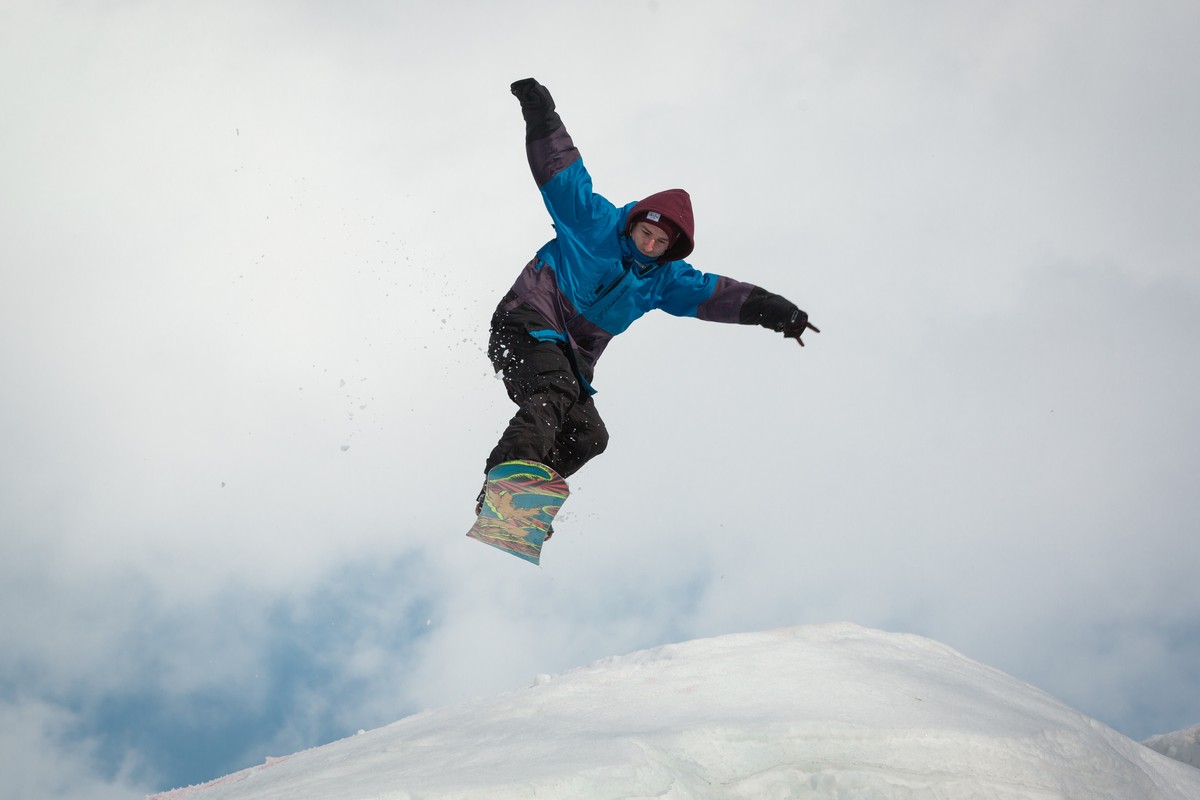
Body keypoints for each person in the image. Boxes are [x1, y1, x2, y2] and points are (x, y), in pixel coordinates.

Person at [478, 78, 818, 524]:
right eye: (645, 233)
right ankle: (508, 484)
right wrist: (542, 116)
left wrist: (779, 313)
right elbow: (561, 173)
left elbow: (723, 295)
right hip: (524, 324)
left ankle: (511, 509)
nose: (650, 245)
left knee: (588, 435)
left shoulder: (667, 281)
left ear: (671, 248)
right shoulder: (591, 221)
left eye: (660, 242)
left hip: (569, 359)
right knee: (554, 390)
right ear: (634, 223)